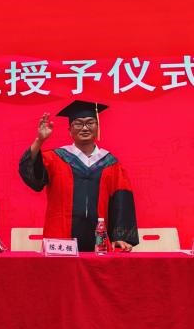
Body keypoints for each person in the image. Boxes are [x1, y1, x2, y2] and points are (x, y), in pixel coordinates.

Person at [18, 101, 138, 252]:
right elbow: (31, 175)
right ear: (70, 130)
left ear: (97, 127)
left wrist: (120, 236)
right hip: (61, 240)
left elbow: (122, 201)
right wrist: (39, 140)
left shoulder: (110, 163)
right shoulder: (55, 158)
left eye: (90, 123)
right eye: (78, 123)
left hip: (99, 239)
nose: (85, 128)